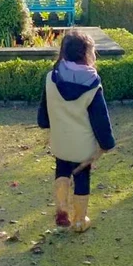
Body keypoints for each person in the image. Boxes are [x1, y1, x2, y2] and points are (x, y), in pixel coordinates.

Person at [37, 28, 115, 232]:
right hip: (83, 148)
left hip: (60, 143)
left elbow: (43, 114)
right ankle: (80, 220)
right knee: (82, 177)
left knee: (62, 170)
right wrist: (107, 144)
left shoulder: (50, 78)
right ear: (87, 53)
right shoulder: (92, 84)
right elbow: (100, 119)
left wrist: (46, 124)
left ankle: (61, 208)